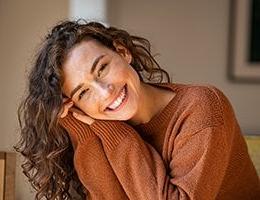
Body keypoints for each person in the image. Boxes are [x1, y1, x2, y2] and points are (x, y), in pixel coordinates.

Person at [15, 19, 260, 200]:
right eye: (83, 92)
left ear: (123, 52)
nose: (105, 91)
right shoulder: (96, 125)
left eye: (102, 69)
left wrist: (116, 134)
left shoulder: (201, 107)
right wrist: (81, 127)